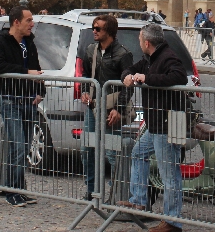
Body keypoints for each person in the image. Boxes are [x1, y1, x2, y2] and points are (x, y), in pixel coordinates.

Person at [118, 23, 187, 232]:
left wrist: (147, 78)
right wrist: (127, 76)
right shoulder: (149, 58)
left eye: (140, 40)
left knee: (169, 174)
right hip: (155, 123)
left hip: (167, 123)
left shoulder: (168, 57)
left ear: (146, 42)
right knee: (139, 153)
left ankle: (172, 221)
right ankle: (139, 200)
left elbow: (179, 77)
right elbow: (130, 69)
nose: (139, 43)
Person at [0, 6, 45, 208]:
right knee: (18, 147)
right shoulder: (0, 42)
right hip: (11, 100)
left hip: (29, 102)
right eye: (29, 20)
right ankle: (12, 191)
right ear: (16, 22)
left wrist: (41, 92)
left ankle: (20, 189)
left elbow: (36, 67)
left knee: (25, 147)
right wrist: (25, 72)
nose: (32, 24)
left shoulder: (29, 43)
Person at [78, 14, 134, 201]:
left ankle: (118, 192)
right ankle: (92, 190)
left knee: (112, 152)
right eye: (93, 27)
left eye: (98, 28)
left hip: (111, 109)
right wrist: (85, 91)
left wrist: (118, 108)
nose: (94, 31)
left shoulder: (123, 54)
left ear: (109, 31)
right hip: (93, 106)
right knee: (87, 149)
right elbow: (87, 75)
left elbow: (128, 85)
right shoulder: (90, 50)